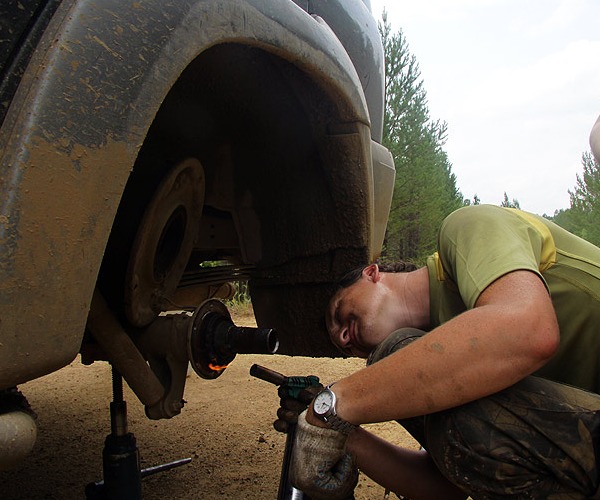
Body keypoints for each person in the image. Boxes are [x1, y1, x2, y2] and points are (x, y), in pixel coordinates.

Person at [281, 203, 600, 499]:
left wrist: (333, 405)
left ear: (371, 274)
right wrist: (339, 434)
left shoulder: (467, 227)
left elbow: (529, 329)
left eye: (338, 313)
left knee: (396, 352)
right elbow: (448, 487)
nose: (343, 337)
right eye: (342, 346)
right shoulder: (441, 360)